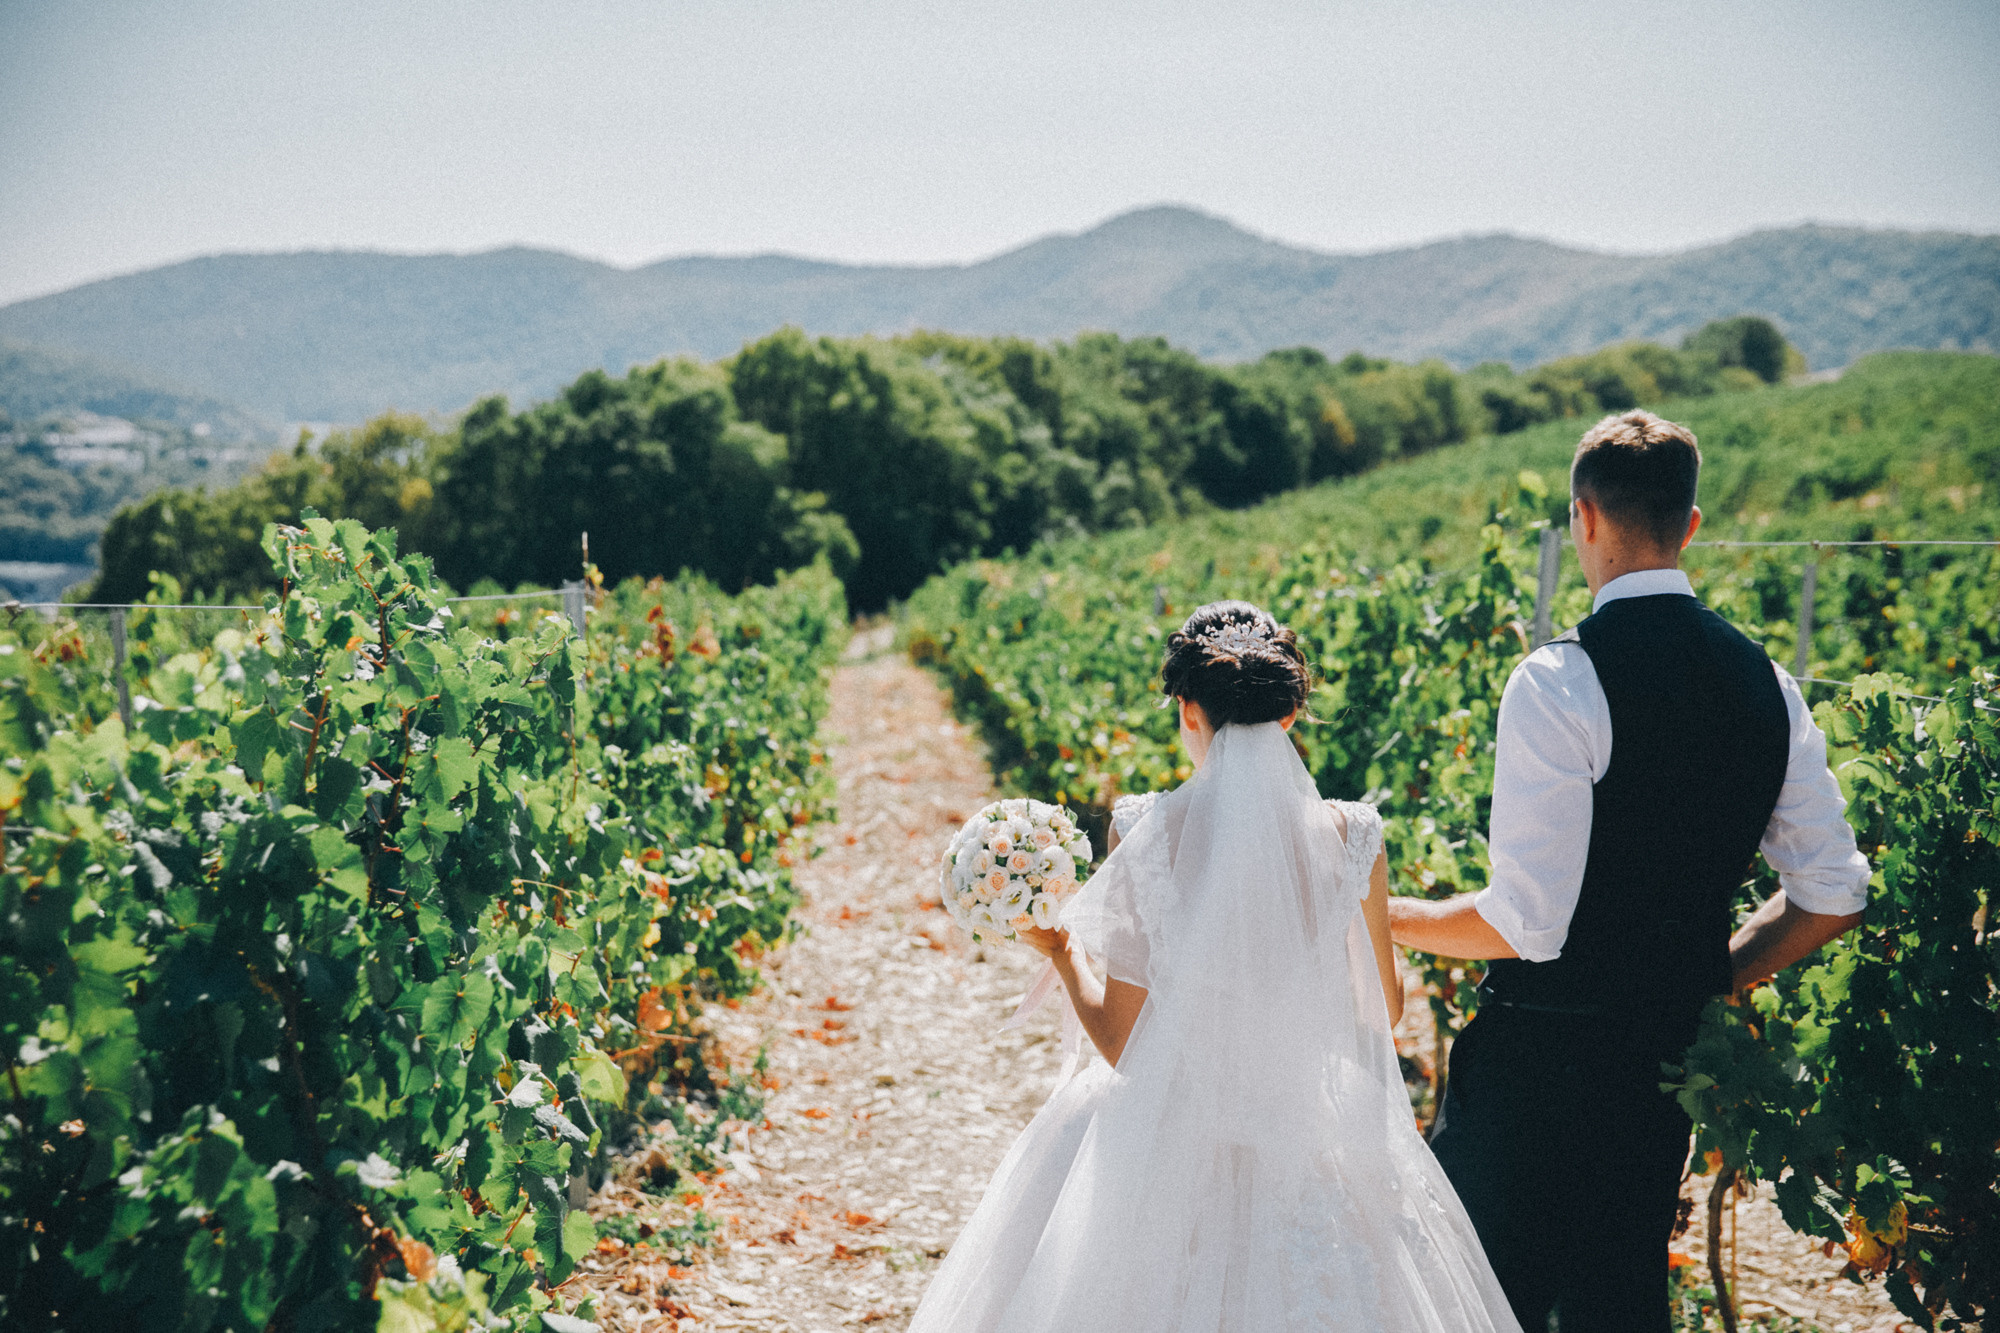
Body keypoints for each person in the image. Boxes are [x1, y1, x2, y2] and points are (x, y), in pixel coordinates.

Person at [907, 601, 1522, 1333]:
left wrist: (1062, 952)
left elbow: (1122, 1043)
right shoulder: (1356, 834)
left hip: (1168, 1143)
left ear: (1186, 709)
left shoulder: (1142, 830)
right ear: (1290, 714)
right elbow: (1382, 1012)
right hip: (1308, 1146)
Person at [1389, 410, 1872, 1332]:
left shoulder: (1557, 682)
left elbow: (1525, 925)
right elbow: (1832, 892)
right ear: (1690, 527)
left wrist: (1389, 914)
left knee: (1472, 1304)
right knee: (1619, 1301)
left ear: (1583, 520)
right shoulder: (1768, 683)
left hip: (1534, 1072)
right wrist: (1713, 970)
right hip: (1659, 1064)